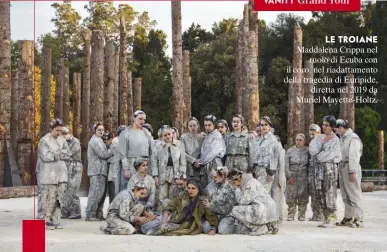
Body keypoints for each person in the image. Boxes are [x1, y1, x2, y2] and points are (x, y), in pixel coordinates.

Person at [140, 178, 219, 236]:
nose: (190, 190)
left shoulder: (202, 201)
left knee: (159, 230)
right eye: (189, 188)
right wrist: (164, 221)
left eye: (193, 188)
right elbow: (170, 206)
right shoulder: (183, 195)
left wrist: (213, 229)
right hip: (174, 217)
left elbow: (211, 216)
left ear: (198, 189)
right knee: (145, 227)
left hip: (185, 223)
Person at [36, 118, 70, 229]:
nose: (59, 133)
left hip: (61, 173)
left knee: (60, 198)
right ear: (51, 129)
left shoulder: (62, 140)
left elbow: (68, 153)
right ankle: (46, 221)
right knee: (49, 199)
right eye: (57, 130)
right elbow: (46, 157)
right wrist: (59, 153)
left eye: (60, 130)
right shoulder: (44, 141)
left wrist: (57, 154)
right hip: (49, 174)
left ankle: (56, 220)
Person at [309, 115, 342, 228]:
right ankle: (324, 218)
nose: (324, 127)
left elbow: (335, 155)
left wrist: (320, 155)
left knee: (330, 192)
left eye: (326, 125)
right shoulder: (319, 138)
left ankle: (331, 218)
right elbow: (312, 151)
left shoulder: (336, 140)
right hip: (318, 170)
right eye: (323, 124)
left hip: (330, 170)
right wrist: (322, 149)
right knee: (320, 192)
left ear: (332, 126)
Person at [227, 170, 279, 236]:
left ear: (239, 178)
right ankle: (270, 225)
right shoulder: (250, 181)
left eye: (233, 183)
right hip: (270, 211)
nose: (233, 185)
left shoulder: (249, 184)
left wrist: (237, 190)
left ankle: (259, 228)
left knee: (235, 210)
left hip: (263, 210)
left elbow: (244, 202)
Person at [335, 119, 364, 228]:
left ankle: (359, 218)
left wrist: (352, 171)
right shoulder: (342, 138)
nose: (337, 130)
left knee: (354, 194)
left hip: (350, 167)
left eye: (339, 128)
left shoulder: (353, 138)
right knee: (345, 194)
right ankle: (348, 217)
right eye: (336, 128)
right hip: (342, 167)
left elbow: (354, 155)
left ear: (343, 127)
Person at [151, 125, 186, 210]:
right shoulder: (157, 146)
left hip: (175, 173)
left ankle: (172, 214)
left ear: (172, 134)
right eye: (165, 135)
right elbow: (154, 161)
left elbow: (183, 161)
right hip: (162, 173)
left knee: (174, 194)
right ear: (161, 136)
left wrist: (182, 176)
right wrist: (155, 176)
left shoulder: (179, 144)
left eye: (169, 134)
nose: (167, 136)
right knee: (161, 195)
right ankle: (160, 214)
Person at [118, 110, 153, 190]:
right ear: (134, 118)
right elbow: (123, 153)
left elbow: (152, 150)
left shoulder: (146, 132)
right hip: (132, 164)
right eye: (140, 119)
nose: (142, 121)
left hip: (145, 164)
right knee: (133, 189)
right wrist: (126, 168)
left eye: (144, 119)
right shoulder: (126, 133)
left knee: (145, 189)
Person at [85, 123, 114, 221]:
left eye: (102, 130)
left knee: (101, 193)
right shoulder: (94, 141)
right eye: (99, 130)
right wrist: (114, 148)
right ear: (94, 131)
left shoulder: (100, 140)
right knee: (95, 192)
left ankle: (98, 213)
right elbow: (103, 154)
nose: (101, 132)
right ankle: (90, 214)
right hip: (96, 171)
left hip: (102, 170)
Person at [202, 166, 236, 234]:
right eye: (212, 177)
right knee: (205, 227)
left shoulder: (230, 188)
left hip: (226, 216)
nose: (213, 179)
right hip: (212, 216)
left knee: (222, 230)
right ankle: (214, 227)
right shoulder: (210, 186)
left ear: (223, 176)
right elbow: (205, 199)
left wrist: (211, 206)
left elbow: (228, 209)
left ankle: (235, 226)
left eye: (215, 177)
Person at [195, 115, 226, 188]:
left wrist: (200, 162)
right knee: (206, 187)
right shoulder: (207, 135)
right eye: (205, 125)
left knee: (214, 185)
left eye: (209, 125)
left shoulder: (217, 135)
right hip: (206, 164)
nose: (207, 127)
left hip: (214, 164)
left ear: (214, 125)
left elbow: (212, 153)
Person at [285, 133, 310, 221]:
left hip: (303, 176)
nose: (298, 142)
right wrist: (289, 176)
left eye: (300, 140)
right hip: (292, 175)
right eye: (297, 140)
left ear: (304, 141)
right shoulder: (290, 150)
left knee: (303, 197)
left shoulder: (307, 151)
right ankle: (291, 214)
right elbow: (286, 165)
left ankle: (301, 215)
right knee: (291, 196)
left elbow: (309, 165)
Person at [252, 116, 279, 193]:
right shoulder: (260, 139)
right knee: (258, 194)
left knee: (264, 195)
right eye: (261, 125)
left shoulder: (272, 139)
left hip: (266, 172)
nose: (263, 126)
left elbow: (274, 157)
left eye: (266, 125)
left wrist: (271, 174)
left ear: (269, 126)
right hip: (257, 170)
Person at [61, 126, 83, 219]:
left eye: (65, 133)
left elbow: (68, 153)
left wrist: (61, 153)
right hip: (67, 167)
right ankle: (66, 211)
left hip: (75, 167)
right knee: (66, 191)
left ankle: (76, 212)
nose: (64, 135)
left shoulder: (75, 141)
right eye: (63, 133)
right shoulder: (63, 142)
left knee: (73, 190)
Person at [308, 124, 323, 221]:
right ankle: (315, 214)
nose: (312, 136)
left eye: (314, 134)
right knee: (313, 193)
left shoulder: (322, 142)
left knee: (320, 192)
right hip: (312, 170)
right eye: (310, 134)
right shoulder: (311, 143)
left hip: (320, 170)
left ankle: (321, 214)